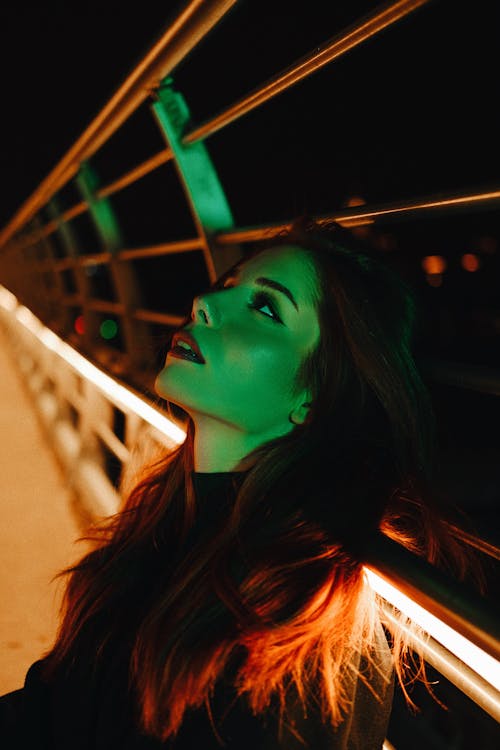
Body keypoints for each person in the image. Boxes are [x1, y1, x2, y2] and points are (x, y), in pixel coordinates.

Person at [0, 218, 478, 749]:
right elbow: (51, 709)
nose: (205, 302)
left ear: (314, 398)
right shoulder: (170, 527)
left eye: (265, 307)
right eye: (228, 286)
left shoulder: (286, 633)